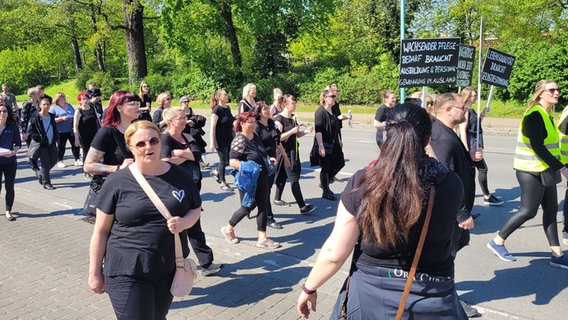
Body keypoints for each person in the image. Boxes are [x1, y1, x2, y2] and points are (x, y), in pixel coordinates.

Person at [297, 104, 467, 320]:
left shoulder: (364, 182)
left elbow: (334, 253)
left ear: (387, 135)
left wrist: (309, 288)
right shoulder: (450, 183)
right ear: (427, 140)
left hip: (371, 296)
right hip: (434, 296)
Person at [88, 120, 201, 320]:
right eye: (140, 144)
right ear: (130, 147)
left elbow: (195, 210)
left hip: (167, 267)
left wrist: (184, 223)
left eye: (153, 141)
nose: (148, 147)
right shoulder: (117, 182)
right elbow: (101, 231)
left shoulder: (180, 176)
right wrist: (94, 272)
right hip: (127, 268)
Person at [488, 80, 568, 269]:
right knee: (528, 211)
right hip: (530, 171)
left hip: (544, 170)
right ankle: (497, 241)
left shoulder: (547, 114)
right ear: (540, 93)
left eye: (557, 89)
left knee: (550, 210)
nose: (556, 92)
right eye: (552, 90)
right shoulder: (533, 115)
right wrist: (562, 168)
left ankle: (556, 254)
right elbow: (538, 147)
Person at [161, 107, 223, 276]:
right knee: (176, 229)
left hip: (193, 188)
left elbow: (197, 155)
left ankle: (206, 263)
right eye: (181, 118)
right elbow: (165, 161)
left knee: (195, 226)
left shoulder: (188, 136)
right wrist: (186, 154)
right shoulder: (165, 139)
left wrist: (179, 153)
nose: (185, 120)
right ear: (170, 121)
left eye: (185, 117)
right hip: (174, 190)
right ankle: (172, 266)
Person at [220, 111, 281, 249]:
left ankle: (262, 238)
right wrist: (248, 166)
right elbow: (232, 161)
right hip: (248, 180)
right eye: (250, 122)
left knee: (263, 207)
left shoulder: (255, 135)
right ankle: (228, 228)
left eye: (254, 121)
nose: (254, 124)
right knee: (247, 207)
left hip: (262, 177)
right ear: (242, 123)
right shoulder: (239, 140)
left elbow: (260, 152)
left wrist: (268, 159)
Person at [84, 91, 140, 216]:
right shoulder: (107, 132)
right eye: (132, 104)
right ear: (119, 107)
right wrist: (118, 168)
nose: (137, 107)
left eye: (138, 103)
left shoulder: (137, 130)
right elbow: (88, 166)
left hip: (134, 189)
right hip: (114, 193)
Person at [458, 87, 503, 206]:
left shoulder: (471, 109)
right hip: (470, 144)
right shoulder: (465, 111)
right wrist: (466, 151)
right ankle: (486, 196)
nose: (475, 97)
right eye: (473, 95)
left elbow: (476, 124)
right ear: (467, 97)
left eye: (475, 95)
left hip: (474, 143)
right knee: (481, 169)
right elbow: (463, 131)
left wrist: (483, 113)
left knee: (473, 172)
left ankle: (481, 196)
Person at [273, 94, 315, 216]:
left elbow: (295, 135)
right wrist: (292, 131)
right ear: (285, 104)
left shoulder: (292, 118)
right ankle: (302, 206)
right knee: (294, 179)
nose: (295, 105)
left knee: (282, 176)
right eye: (293, 103)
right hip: (284, 153)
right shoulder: (278, 119)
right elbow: (277, 138)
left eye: (295, 102)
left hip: (293, 151)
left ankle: (277, 198)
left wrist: (305, 132)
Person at [255, 101, 289, 229]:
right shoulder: (256, 126)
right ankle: (269, 218)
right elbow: (254, 145)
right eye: (264, 108)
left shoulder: (271, 123)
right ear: (259, 112)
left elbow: (277, 141)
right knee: (265, 191)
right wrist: (266, 158)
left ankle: (250, 206)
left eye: (268, 108)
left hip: (271, 162)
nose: (268, 110)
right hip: (261, 162)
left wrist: (285, 156)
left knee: (266, 190)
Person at [312, 89, 345, 201]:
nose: (334, 97)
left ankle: (324, 183)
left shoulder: (333, 111)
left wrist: (339, 139)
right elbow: (318, 130)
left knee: (340, 162)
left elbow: (336, 127)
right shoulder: (320, 112)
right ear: (325, 98)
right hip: (325, 143)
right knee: (326, 167)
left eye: (335, 96)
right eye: (332, 96)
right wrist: (320, 146)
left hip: (334, 141)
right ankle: (326, 190)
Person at [27, 98, 58, 190]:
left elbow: (54, 127)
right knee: (45, 163)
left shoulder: (51, 116)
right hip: (41, 144)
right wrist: (38, 138)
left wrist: (56, 137)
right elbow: (30, 131)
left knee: (54, 160)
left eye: (48, 104)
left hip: (51, 142)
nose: (46, 106)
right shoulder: (35, 117)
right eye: (44, 104)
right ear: (40, 106)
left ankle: (41, 173)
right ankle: (46, 183)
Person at [209, 90, 235, 191]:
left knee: (229, 160)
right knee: (223, 161)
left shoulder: (227, 108)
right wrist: (212, 142)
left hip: (229, 137)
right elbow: (212, 127)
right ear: (219, 97)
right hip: (220, 139)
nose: (227, 96)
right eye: (225, 95)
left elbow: (230, 121)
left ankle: (216, 172)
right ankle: (223, 182)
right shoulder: (216, 110)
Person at [0, 101, 21, 221]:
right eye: (0, 111)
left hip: (9, 161)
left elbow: (18, 144)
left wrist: (13, 152)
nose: (2, 113)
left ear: (8, 113)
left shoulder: (12, 127)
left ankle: (8, 210)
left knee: (9, 186)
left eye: (4, 111)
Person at [50, 92, 82, 168]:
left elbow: (75, 114)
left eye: (64, 97)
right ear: (57, 99)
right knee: (61, 146)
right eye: (62, 97)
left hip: (71, 129)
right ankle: (60, 160)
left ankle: (77, 159)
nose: (64, 99)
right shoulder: (54, 108)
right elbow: (51, 120)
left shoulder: (69, 105)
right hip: (60, 131)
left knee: (75, 144)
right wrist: (61, 119)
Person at [73, 92, 100, 166]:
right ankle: (86, 168)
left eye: (87, 99)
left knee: (94, 151)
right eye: (83, 99)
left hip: (94, 133)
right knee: (86, 152)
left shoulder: (92, 108)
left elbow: (97, 120)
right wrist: (76, 138)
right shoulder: (78, 111)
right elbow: (75, 126)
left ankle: (94, 166)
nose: (85, 100)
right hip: (84, 135)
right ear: (80, 101)